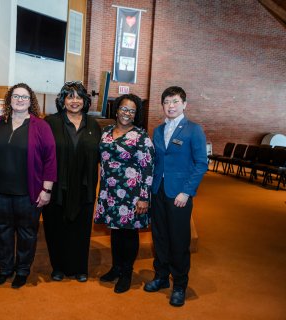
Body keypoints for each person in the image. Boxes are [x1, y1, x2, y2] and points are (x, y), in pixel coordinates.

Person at [143, 86, 208, 307]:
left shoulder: (194, 130)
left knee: (179, 240)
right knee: (159, 237)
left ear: (184, 104)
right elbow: (156, 162)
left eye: (175, 101)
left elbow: (201, 164)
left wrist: (186, 191)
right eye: (167, 102)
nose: (170, 106)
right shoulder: (159, 130)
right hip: (158, 191)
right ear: (162, 105)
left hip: (179, 195)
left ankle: (179, 284)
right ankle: (161, 277)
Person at [0, 83, 56, 289]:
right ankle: (5, 269)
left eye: (24, 97)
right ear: (9, 99)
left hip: (28, 193)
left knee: (27, 233)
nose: (19, 100)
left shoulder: (41, 126)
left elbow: (50, 160)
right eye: (16, 96)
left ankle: (23, 270)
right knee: (2, 231)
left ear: (30, 101)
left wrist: (46, 190)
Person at [94, 94, 154, 293]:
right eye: (123, 109)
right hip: (110, 191)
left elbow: (147, 168)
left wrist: (144, 197)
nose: (126, 113)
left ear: (136, 114)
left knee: (129, 233)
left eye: (131, 110)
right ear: (117, 109)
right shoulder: (107, 131)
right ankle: (116, 268)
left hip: (132, 194)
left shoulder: (141, 136)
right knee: (115, 231)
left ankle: (126, 273)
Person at [43, 81, 102, 282]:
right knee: (55, 228)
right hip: (57, 186)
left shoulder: (94, 125)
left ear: (85, 101)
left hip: (84, 187)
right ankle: (58, 267)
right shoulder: (51, 122)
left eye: (78, 97)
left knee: (81, 229)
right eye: (70, 96)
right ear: (63, 100)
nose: (74, 101)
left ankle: (80, 268)